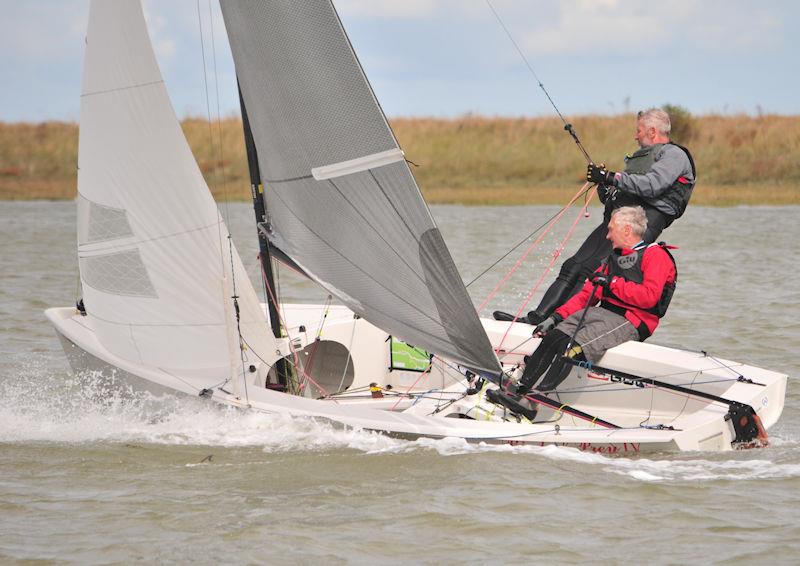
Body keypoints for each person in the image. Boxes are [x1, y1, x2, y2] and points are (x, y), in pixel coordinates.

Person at [494, 107, 694, 325]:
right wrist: (605, 186)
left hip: (641, 224)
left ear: (652, 131)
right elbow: (622, 190)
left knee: (593, 273)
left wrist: (611, 177)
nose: (635, 136)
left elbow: (653, 186)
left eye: (639, 131)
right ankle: (537, 318)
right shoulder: (641, 159)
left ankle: (558, 323)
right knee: (574, 265)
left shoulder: (674, 155)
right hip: (620, 218)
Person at [492, 206, 676, 409]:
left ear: (626, 230)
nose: (607, 236)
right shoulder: (612, 258)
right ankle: (518, 391)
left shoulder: (656, 255)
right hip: (602, 312)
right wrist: (555, 318)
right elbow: (586, 295)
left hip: (631, 319)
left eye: (611, 229)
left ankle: (534, 402)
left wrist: (612, 283)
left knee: (570, 348)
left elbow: (649, 297)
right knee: (554, 337)